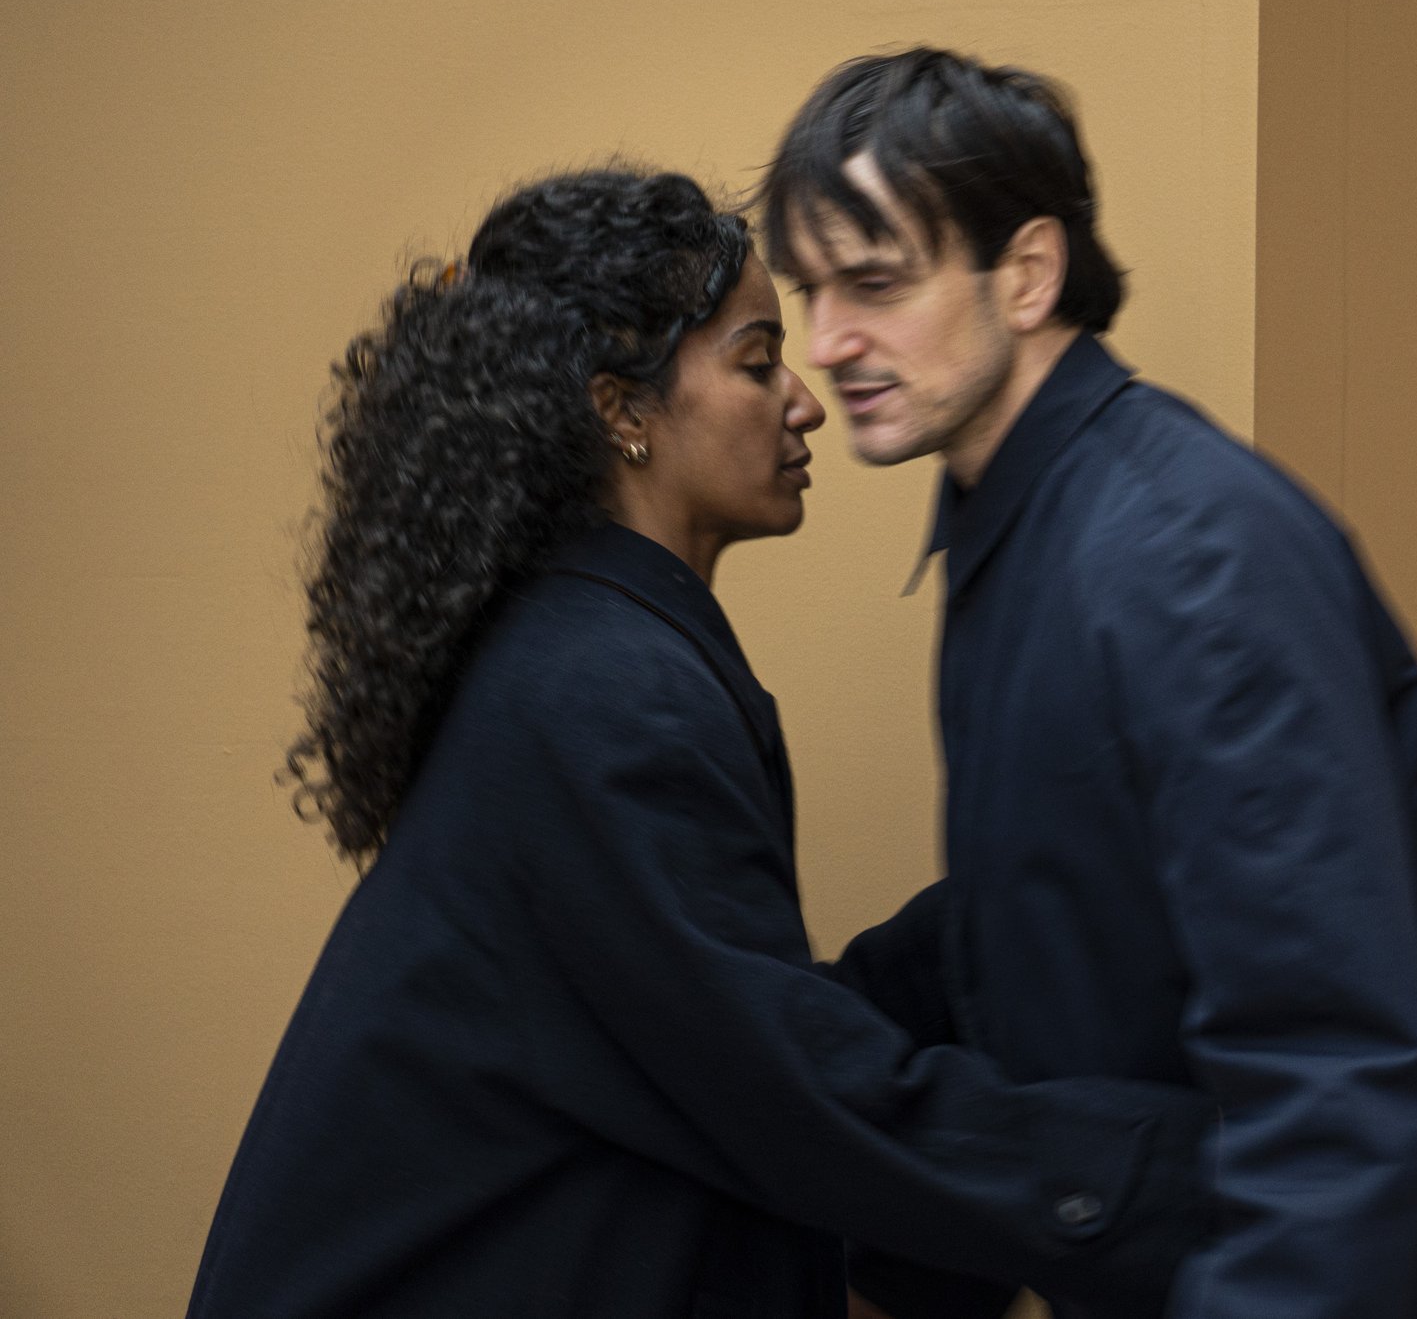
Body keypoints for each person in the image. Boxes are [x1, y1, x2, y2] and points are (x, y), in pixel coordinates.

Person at [187, 168, 1225, 1319]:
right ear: (621, 410)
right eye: (754, 359)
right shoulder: (603, 692)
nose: (806, 398)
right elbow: (794, 1090)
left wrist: (1054, 886)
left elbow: (735, 1020)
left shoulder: (587, 650)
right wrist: (1242, 1173)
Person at [762, 49, 1417, 1319]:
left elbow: (1331, 1071)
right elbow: (1046, 944)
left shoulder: (1182, 556)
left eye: (874, 282)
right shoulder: (1023, 527)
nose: (829, 341)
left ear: (1024, 274)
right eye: (809, 291)